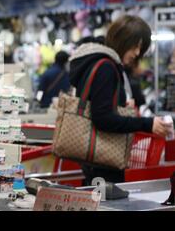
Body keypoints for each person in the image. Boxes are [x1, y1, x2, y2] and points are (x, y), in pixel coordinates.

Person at [69, 15, 170, 185]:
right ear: (123, 40)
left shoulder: (97, 62)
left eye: (141, 48)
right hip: (104, 165)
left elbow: (98, 105)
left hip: (95, 164)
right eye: (135, 46)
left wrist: (121, 105)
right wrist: (147, 123)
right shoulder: (106, 67)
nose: (137, 53)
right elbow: (103, 118)